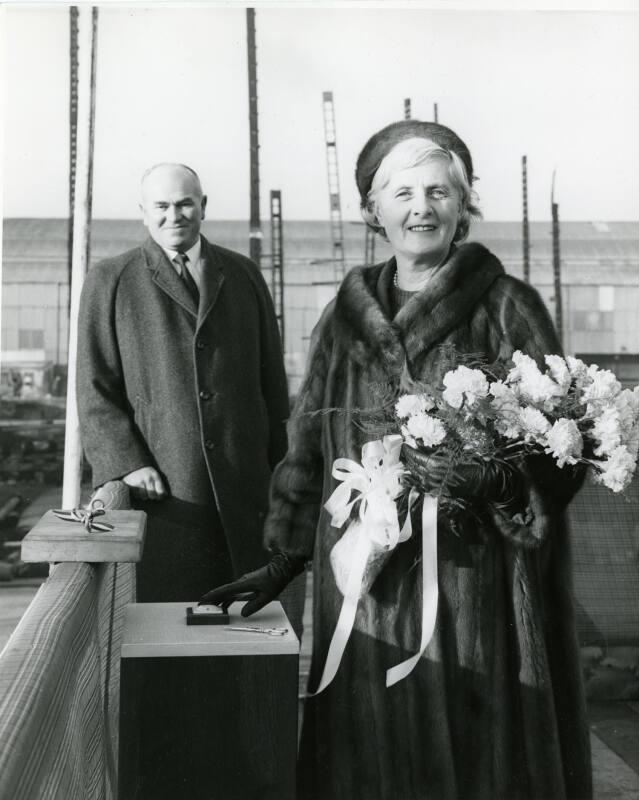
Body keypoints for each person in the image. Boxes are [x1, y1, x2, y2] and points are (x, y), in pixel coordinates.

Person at [203, 122, 592, 800]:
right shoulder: (342, 319)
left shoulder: (507, 306)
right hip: (364, 579)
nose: (421, 208)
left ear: (461, 206)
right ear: (371, 211)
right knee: (367, 761)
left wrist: (499, 478)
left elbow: (565, 448)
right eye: (403, 192)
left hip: (480, 587)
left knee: (481, 762)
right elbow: (306, 448)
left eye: (439, 191)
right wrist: (285, 557)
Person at [77, 163, 294, 798]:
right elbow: (93, 388)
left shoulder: (241, 274)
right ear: (143, 211)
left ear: (204, 206)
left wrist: (280, 470)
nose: (176, 217)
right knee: (162, 644)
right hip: (164, 499)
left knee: (242, 641)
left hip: (242, 495)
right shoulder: (110, 280)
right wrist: (123, 459)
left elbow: (269, 380)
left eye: (187, 205)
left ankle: (237, 772)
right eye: (163, 207)